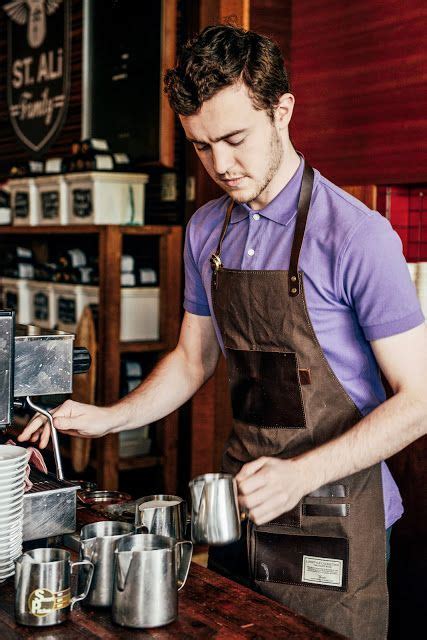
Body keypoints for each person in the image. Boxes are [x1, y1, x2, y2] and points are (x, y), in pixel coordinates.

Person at [20, 24, 426, 639]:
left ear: (283, 111)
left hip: (338, 518)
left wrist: (302, 474)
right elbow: (191, 358)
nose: (221, 166)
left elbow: (420, 401)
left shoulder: (357, 236)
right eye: (202, 147)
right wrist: (106, 417)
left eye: (235, 139)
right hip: (240, 508)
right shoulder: (208, 229)